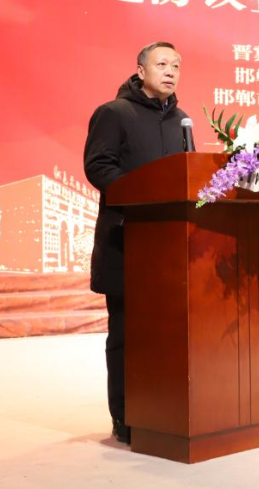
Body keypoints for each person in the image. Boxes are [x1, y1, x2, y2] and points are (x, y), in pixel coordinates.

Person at [83, 42, 188, 445]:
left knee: (166, 335)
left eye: (176, 65)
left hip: (170, 247)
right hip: (127, 240)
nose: (170, 71)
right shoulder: (114, 113)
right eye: (162, 64)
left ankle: (162, 410)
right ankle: (125, 416)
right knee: (127, 335)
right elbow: (98, 166)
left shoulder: (181, 120)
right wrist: (142, 195)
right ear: (141, 70)